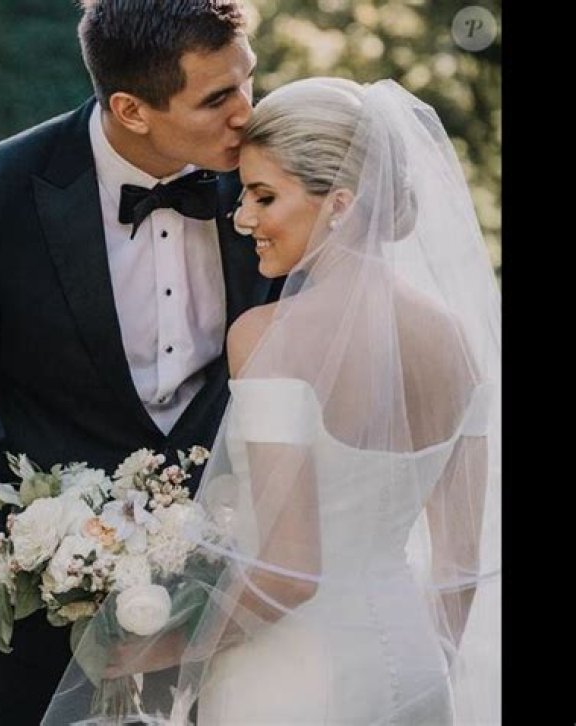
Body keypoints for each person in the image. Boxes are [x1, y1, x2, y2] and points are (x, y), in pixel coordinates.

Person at [43, 77, 501, 724]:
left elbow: (289, 572)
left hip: (293, 681)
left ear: (340, 204)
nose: (242, 218)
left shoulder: (267, 337)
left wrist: (162, 647)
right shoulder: (456, 340)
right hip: (417, 670)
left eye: (264, 196)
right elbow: (459, 564)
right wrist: (426, 671)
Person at [0, 2, 281, 724]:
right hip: (46, 628)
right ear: (131, 109)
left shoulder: (276, 178)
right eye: (217, 97)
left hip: (235, 616)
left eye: (248, 78)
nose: (248, 112)